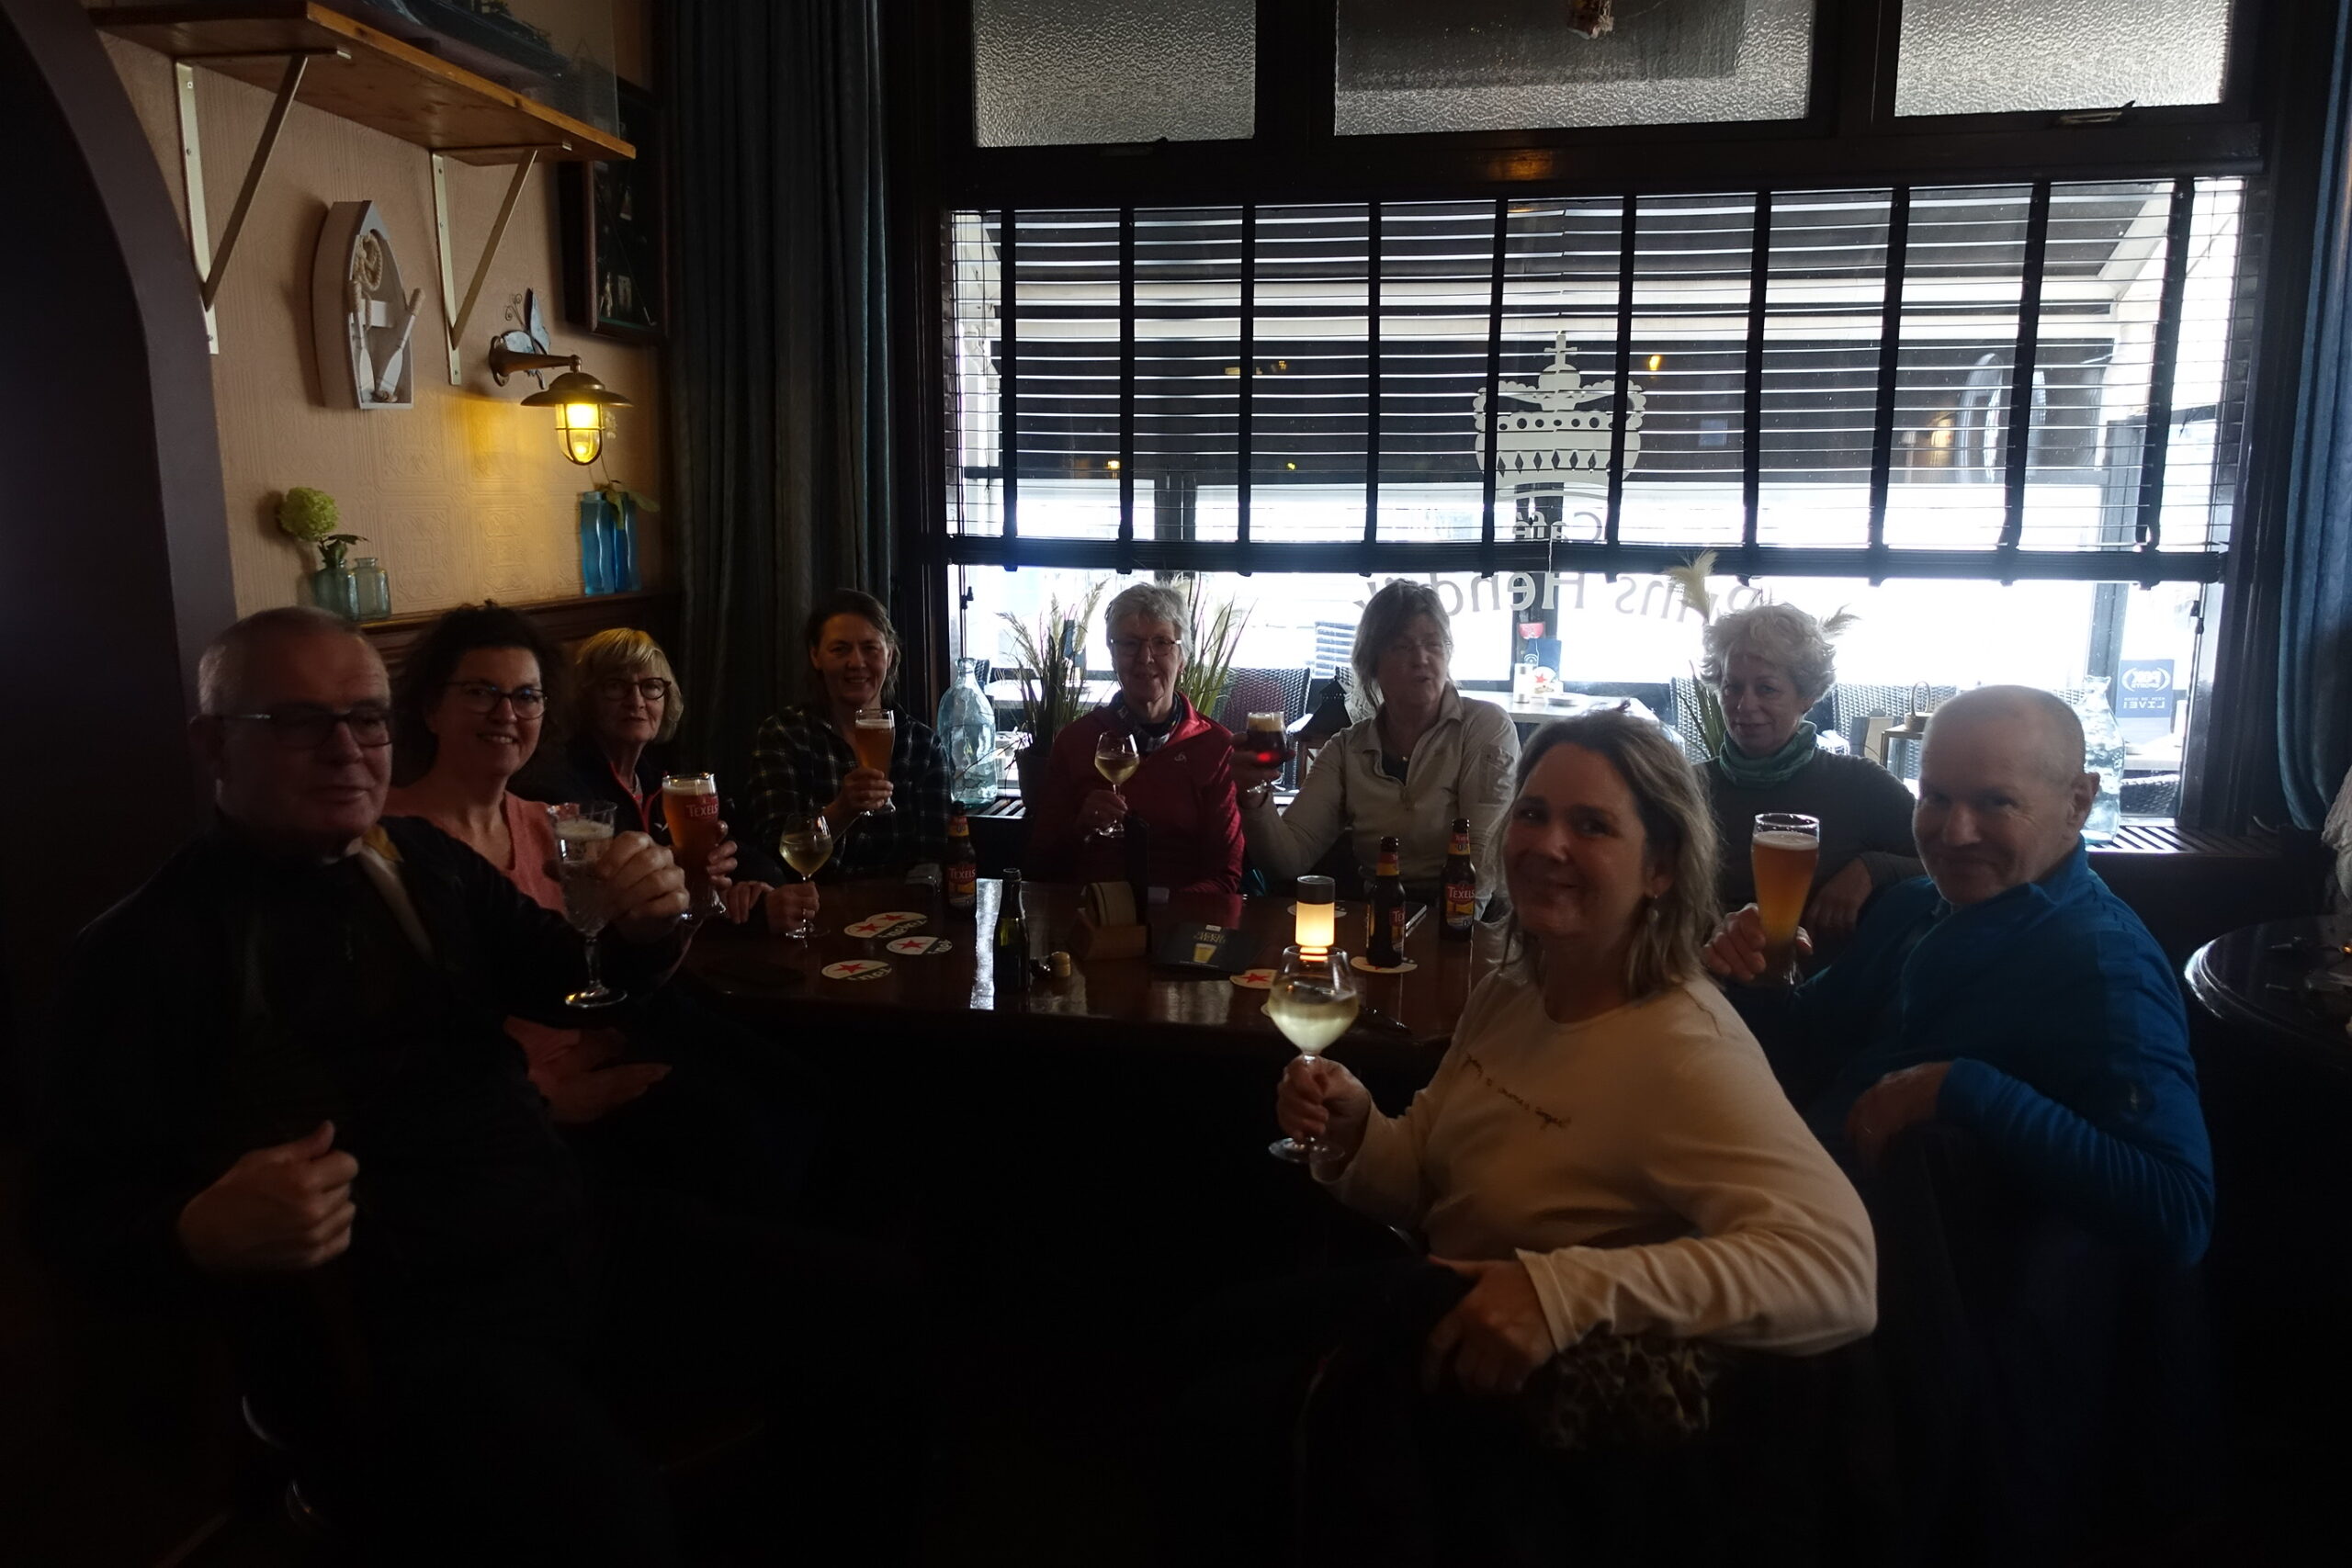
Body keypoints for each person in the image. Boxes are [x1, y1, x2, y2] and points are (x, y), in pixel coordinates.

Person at [29, 608, 916, 1563]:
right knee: (611, 1517)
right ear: (213, 744)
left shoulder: (418, 863)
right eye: (297, 721)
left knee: (880, 1304)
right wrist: (194, 1229)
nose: (345, 748)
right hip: (405, 1328)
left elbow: (568, 982)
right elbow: (66, 1216)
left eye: (365, 719)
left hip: (564, 1233)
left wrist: (642, 928)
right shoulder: (145, 950)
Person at [1242, 709, 1875, 1561]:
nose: (1549, 844)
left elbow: (1840, 1272)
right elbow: (1428, 1181)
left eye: (1593, 825)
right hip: (1427, 1357)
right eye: (1534, 814)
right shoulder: (1514, 985)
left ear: (1660, 868)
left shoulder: (1685, 1048)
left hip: (1523, 1450)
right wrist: (1358, 1133)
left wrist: (1561, 1292)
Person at [1703, 685, 2213, 1266]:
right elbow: (1805, 1042)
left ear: (2078, 803)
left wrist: (1966, 1090)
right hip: (1773, 1198)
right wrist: (1761, 976)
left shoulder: (2105, 965)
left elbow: (2180, 1213)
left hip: (1866, 1277)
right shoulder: (1913, 904)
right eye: (1936, 798)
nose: (1954, 833)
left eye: (1996, 802)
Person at [383, 604, 820, 1205]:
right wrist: (542, 1097)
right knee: (751, 1145)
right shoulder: (390, 839)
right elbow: (406, 1038)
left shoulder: (558, 824)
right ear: (431, 707)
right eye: (481, 692)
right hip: (519, 1107)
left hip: (611, 1040)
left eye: (526, 696)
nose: (507, 713)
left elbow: (627, 968)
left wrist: (685, 902)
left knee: (803, 1094)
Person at [1233, 580, 1519, 904]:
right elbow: (1288, 860)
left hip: (1468, 917)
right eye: (1402, 646)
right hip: (1381, 914)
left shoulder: (1484, 726)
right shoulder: (1347, 749)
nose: (1421, 658)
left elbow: (1481, 862)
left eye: (1433, 643)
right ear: (1371, 663)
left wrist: (1447, 930)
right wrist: (1253, 796)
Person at [509, 625, 795, 925]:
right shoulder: (558, 789)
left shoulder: (663, 782)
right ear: (584, 698)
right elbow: (614, 906)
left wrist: (755, 890)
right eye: (616, 686)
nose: (636, 701)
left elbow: (753, 862)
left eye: (651, 686)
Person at [1700, 601, 1921, 944]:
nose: (1745, 705)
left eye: (1766, 688)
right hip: (1708, 972)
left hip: (1826, 976)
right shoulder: (1689, 787)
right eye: (1732, 687)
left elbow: (1947, 860)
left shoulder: (1859, 785)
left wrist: (1872, 869)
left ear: (1808, 696)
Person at [1027, 582, 1243, 892]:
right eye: (1129, 643)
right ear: (1113, 656)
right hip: (1094, 915)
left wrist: (1158, 909)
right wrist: (1079, 827)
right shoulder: (1075, 742)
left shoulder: (1216, 747)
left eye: (1162, 642)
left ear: (1183, 658)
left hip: (1183, 915)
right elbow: (1039, 866)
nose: (1145, 657)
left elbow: (1226, 876)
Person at [746, 589, 950, 882]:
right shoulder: (783, 736)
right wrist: (841, 811)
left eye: (870, 648)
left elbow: (934, 858)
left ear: (890, 654)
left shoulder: (923, 746)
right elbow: (777, 858)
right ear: (815, 656)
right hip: (816, 904)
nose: (856, 663)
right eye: (840, 649)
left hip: (900, 904)